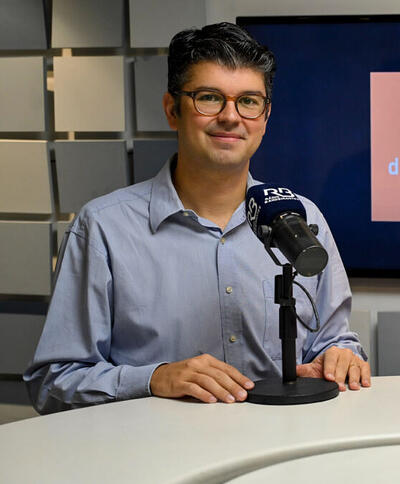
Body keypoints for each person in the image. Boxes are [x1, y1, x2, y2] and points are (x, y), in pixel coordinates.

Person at [24, 23, 370, 414]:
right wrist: (154, 379)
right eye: (209, 98)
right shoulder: (103, 229)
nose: (230, 116)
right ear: (173, 110)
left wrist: (340, 358)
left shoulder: (303, 219)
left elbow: (335, 342)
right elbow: (52, 383)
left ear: (266, 116)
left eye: (249, 101)